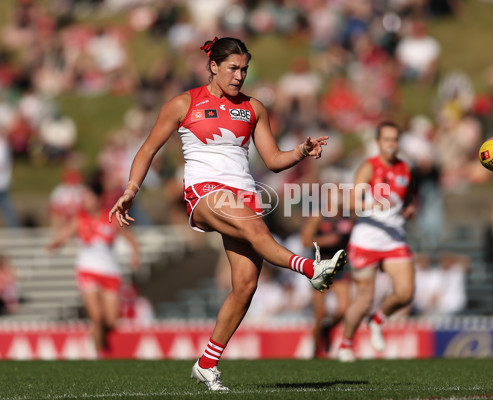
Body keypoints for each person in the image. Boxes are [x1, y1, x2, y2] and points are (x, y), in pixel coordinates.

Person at [108, 37, 346, 391]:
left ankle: (206, 364)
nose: (239, 76)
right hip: (205, 193)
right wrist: (130, 190)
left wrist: (300, 150)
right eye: (233, 68)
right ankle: (312, 268)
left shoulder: (254, 107)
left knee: (245, 286)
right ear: (214, 66)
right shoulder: (182, 103)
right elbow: (147, 150)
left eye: (245, 69)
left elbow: (274, 161)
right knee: (256, 232)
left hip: (245, 194)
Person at [338, 121, 416, 362]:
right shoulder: (369, 167)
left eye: (395, 140)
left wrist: (409, 209)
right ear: (378, 142)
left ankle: (378, 319)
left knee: (405, 293)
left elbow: (407, 198)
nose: (391, 144)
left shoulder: (405, 168)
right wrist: (373, 204)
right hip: (367, 239)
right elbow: (350, 203)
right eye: (386, 140)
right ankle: (346, 343)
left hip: (393, 238)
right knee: (363, 301)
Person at [47, 179, 140, 357]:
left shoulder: (111, 218)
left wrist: (135, 255)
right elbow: (63, 235)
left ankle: (101, 343)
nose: (84, 201)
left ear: (97, 199)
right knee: (96, 317)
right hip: (87, 271)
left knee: (112, 320)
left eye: (88, 197)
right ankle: (97, 354)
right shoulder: (79, 220)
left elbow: (131, 239)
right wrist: (53, 245)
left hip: (110, 272)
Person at [300, 186, 353, 358]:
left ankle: (328, 329)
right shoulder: (319, 216)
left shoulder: (349, 216)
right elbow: (306, 240)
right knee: (320, 313)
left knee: (344, 309)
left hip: (340, 267)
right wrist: (325, 240)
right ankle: (315, 349)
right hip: (320, 267)